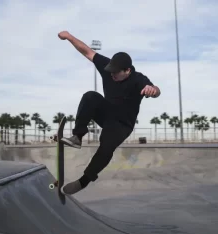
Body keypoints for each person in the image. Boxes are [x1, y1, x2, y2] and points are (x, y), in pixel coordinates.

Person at [57, 31, 161, 195]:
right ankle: (78, 136)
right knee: (90, 96)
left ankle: (84, 181)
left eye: (115, 72)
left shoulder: (138, 79)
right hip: (107, 113)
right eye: (110, 71)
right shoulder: (109, 68)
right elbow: (87, 51)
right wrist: (69, 37)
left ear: (127, 71)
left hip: (122, 125)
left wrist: (153, 90)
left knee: (106, 145)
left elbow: (156, 91)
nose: (111, 74)